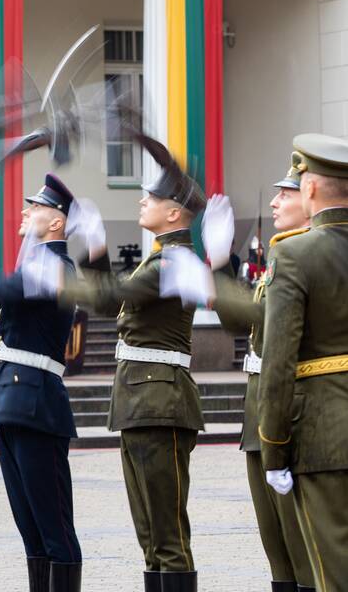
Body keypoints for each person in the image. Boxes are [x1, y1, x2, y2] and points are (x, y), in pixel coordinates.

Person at [58, 146, 206, 592]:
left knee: (168, 538)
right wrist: (96, 249)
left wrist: (96, 248)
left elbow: (111, 296)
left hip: (161, 404)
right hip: (143, 404)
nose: (142, 202)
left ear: (175, 213)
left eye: (151, 198)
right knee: (150, 536)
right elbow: (112, 300)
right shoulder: (159, 258)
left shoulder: (172, 263)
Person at [205, 159, 315, 592]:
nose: (274, 202)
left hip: (291, 418)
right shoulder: (278, 257)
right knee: (277, 549)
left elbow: (266, 320)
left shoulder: (308, 257)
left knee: (302, 547)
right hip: (259, 419)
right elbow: (240, 324)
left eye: (285, 194)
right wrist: (218, 262)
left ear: (311, 200)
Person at [0, 175, 83, 592]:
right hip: (13, 400)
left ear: (57, 223)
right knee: (32, 532)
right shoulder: (36, 262)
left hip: (37, 404)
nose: (24, 212)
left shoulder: (55, 266)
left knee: (54, 531)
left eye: (34, 207)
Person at [257, 134, 348, 591]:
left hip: (324, 438)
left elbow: (277, 363)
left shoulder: (293, 253)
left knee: (333, 574)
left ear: (309, 188)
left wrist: (273, 447)